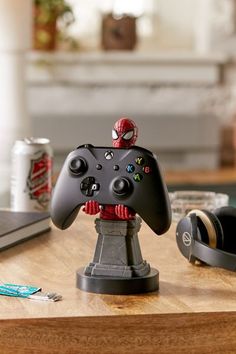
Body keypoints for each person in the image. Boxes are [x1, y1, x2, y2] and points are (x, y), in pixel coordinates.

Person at [82, 117, 138, 220]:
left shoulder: (136, 162)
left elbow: (140, 193)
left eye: (126, 135)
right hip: (106, 215)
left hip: (126, 218)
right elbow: (97, 184)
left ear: (134, 136)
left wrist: (132, 210)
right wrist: (93, 203)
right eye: (116, 135)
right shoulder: (105, 159)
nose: (120, 141)